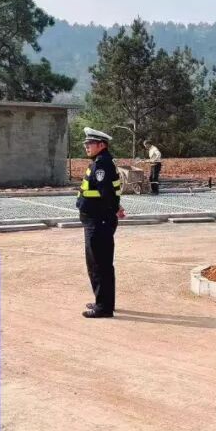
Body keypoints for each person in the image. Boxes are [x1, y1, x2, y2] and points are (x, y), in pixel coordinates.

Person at [76, 127, 125, 318]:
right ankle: (103, 301)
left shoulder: (102, 165)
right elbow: (109, 193)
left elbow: (106, 195)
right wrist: (116, 208)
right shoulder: (101, 161)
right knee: (100, 263)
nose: (86, 146)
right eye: (86, 143)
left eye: (90, 143)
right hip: (98, 220)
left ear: (101, 145)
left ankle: (103, 307)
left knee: (99, 265)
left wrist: (112, 211)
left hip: (98, 221)